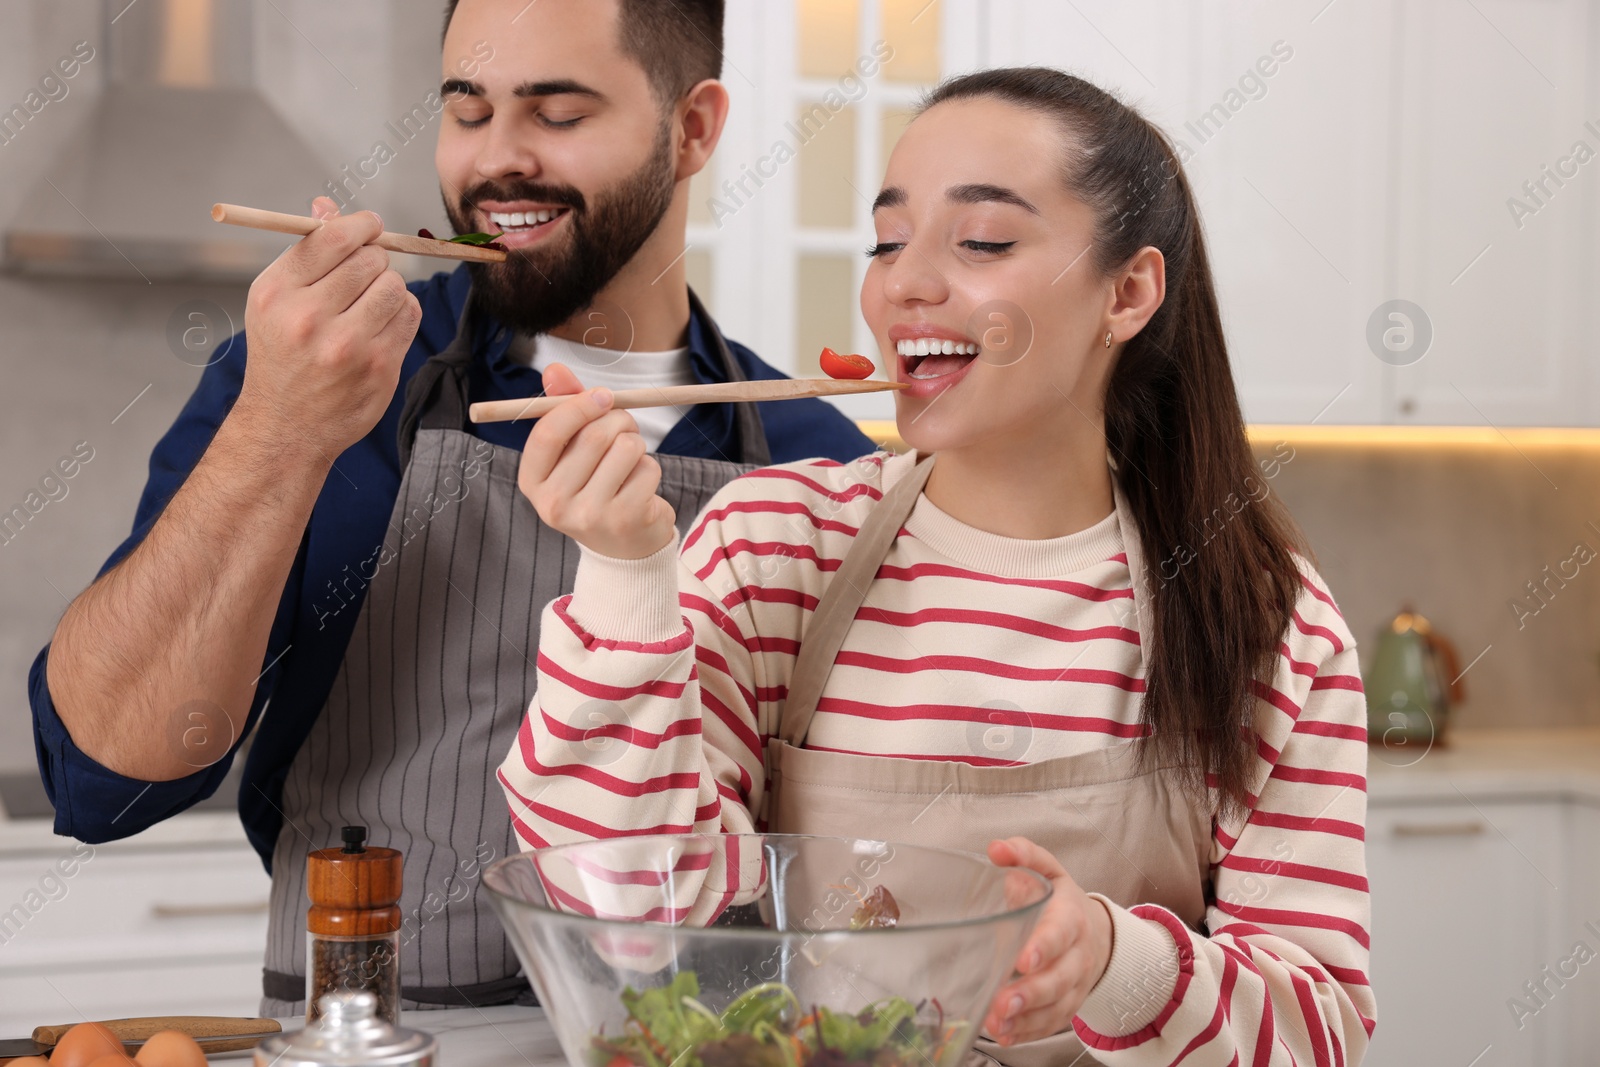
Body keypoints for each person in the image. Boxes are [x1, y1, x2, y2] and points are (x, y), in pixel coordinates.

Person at [501, 66, 1376, 1066]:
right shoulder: (773, 552)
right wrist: (622, 573)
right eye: (886, 241)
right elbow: (626, 908)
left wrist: (1111, 959)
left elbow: (1318, 1032)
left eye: (982, 242)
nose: (902, 282)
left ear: (1127, 291)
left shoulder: (1266, 619)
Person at [28, 0, 874, 1016]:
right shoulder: (320, 374)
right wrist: (275, 430)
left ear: (692, 129)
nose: (497, 159)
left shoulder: (816, 463)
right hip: (364, 1038)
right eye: (468, 113)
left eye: (557, 114)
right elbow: (100, 779)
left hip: (700, 1039)